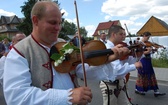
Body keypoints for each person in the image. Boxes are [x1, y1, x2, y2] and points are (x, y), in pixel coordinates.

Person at [3, 1, 131, 105]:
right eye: (53, 22)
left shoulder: (63, 43)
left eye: (60, 23)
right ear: (35, 21)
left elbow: (80, 69)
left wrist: (108, 59)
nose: (58, 28)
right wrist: (67, 97)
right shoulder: (20, 52)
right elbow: (17, 97)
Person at [99, 25, 143, 105]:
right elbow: (117, 70)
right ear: (113, 35)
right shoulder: (108, 48)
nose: (124, 36)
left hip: (120, 82)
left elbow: (127, 62)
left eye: (124, 34)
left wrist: (138, 55)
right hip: (110, 84)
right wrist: (134, 66)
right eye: (121, 34)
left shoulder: (120, 47)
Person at [135, 31, 166, 97]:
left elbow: (149, 52)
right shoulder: (139, 43)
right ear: (144, 36)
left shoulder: (148, 43)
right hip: (143, 60)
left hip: (148, 60)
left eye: (149, 37)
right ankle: (139, 89)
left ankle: (156, 91)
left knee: (151, 74)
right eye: (147, 37)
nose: (148, 39)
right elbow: (142, 53)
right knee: (143, 74)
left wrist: (153, 51)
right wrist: (149, 51)